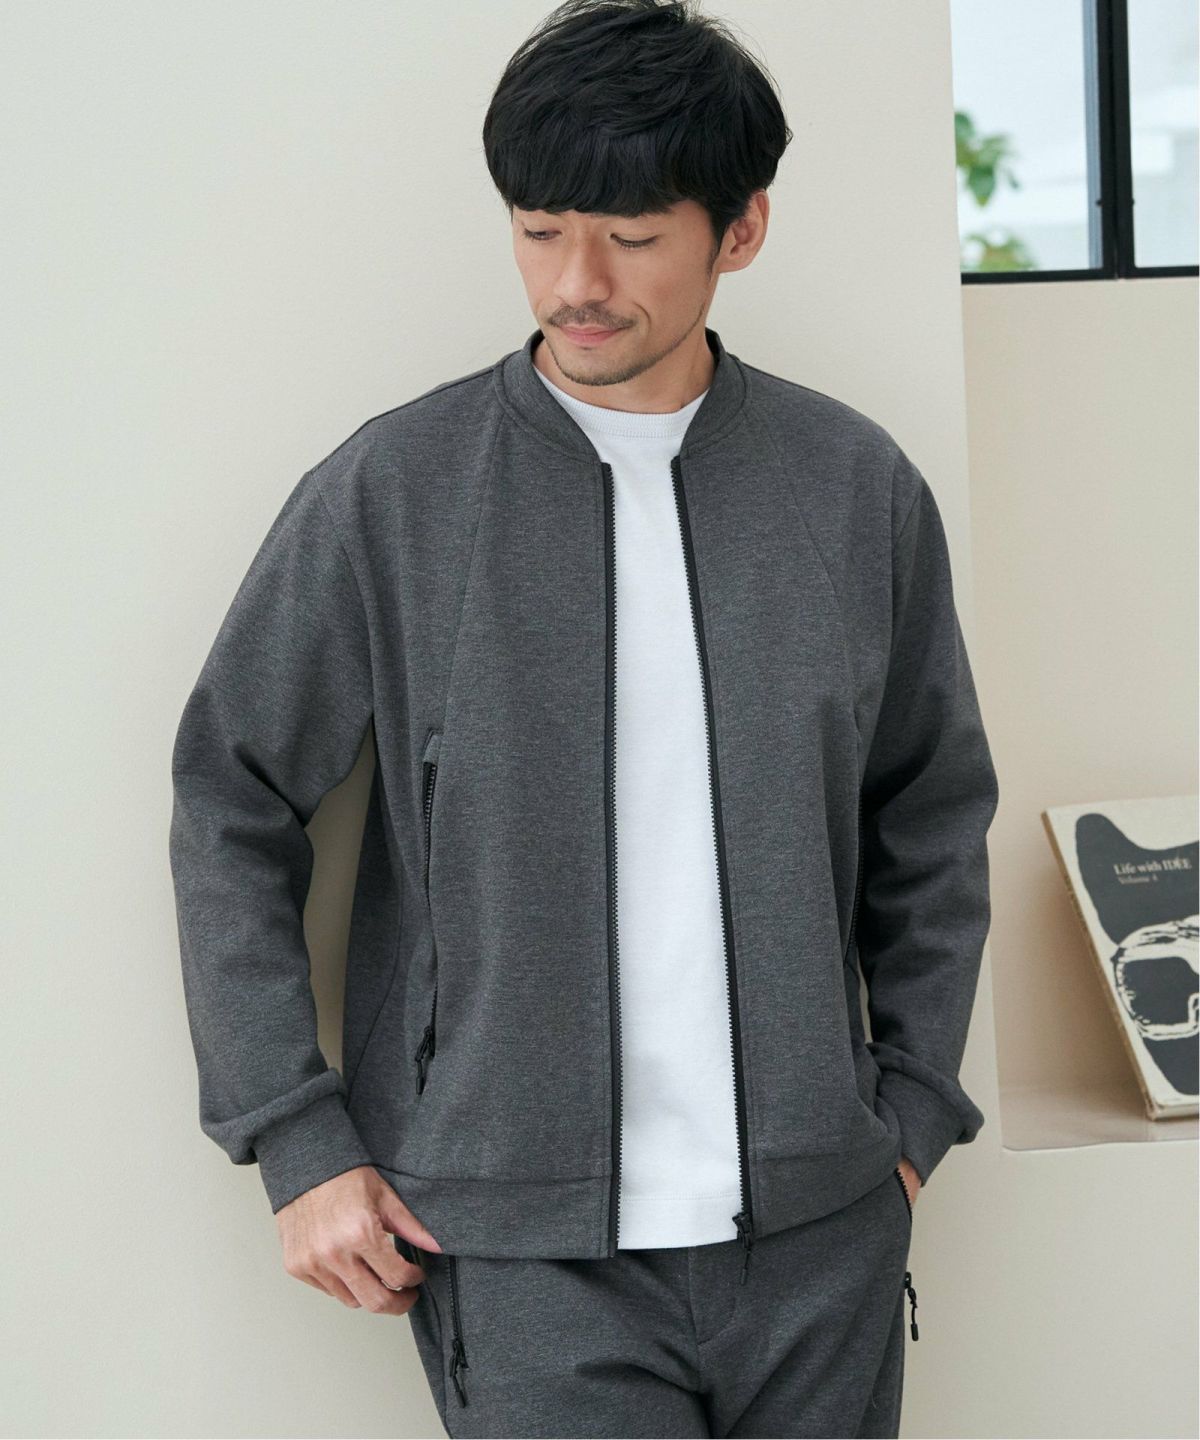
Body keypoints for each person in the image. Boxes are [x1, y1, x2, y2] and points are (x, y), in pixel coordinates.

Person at [168, 1, 999, 1435]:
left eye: (631, 236)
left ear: (740, 231)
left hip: (822, 1235)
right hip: (518, 1250)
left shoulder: (853, 488)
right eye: (540, 230)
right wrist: (294, 1138)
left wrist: (911, 1116)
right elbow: (228, 797)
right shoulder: (397, 495)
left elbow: (931, 812)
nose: (577, 282)